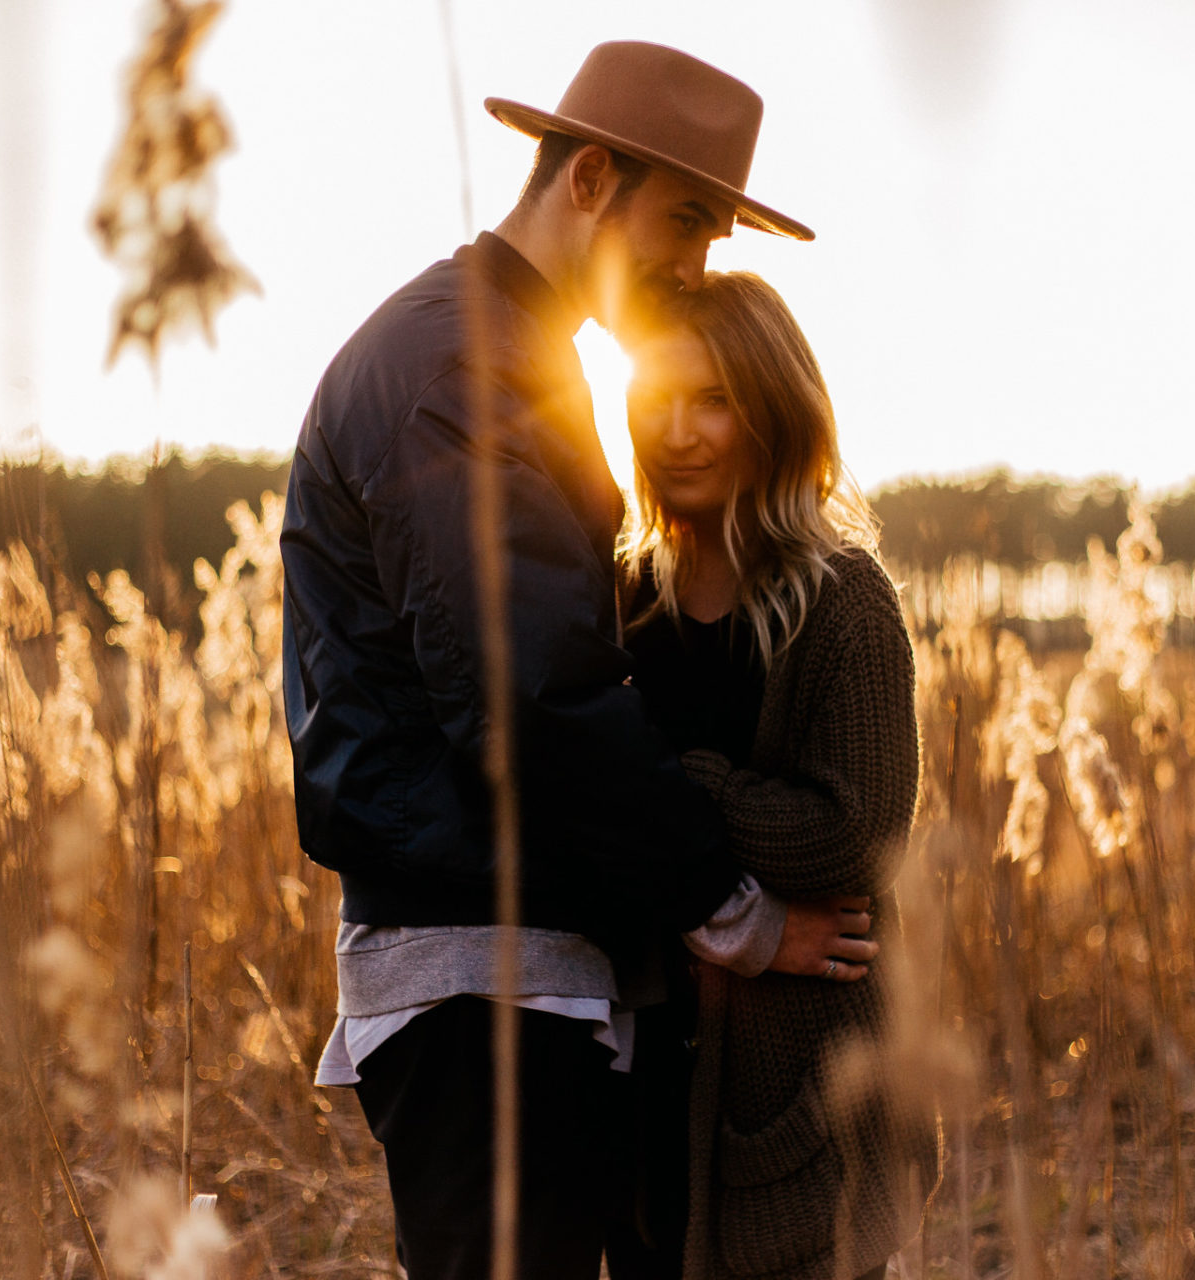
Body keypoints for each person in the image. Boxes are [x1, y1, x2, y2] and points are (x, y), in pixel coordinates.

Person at [279, 42, 877, 1280]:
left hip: (522, 978)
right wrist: (739, 913)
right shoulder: (461, 365)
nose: (695, 267)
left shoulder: (511, 353)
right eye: (690, 222)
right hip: (477, 984)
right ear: (591, 177)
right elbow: (530, 697)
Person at [621, 272, 940, 1280]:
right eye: (657, 397)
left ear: (773, 408)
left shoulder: (843, 600)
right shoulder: (622, 595)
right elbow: (587, 821)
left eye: (711, 398)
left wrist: (666, 778)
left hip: (799, 1082)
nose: (678, 429)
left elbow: (854, 834)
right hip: (641, 1071)